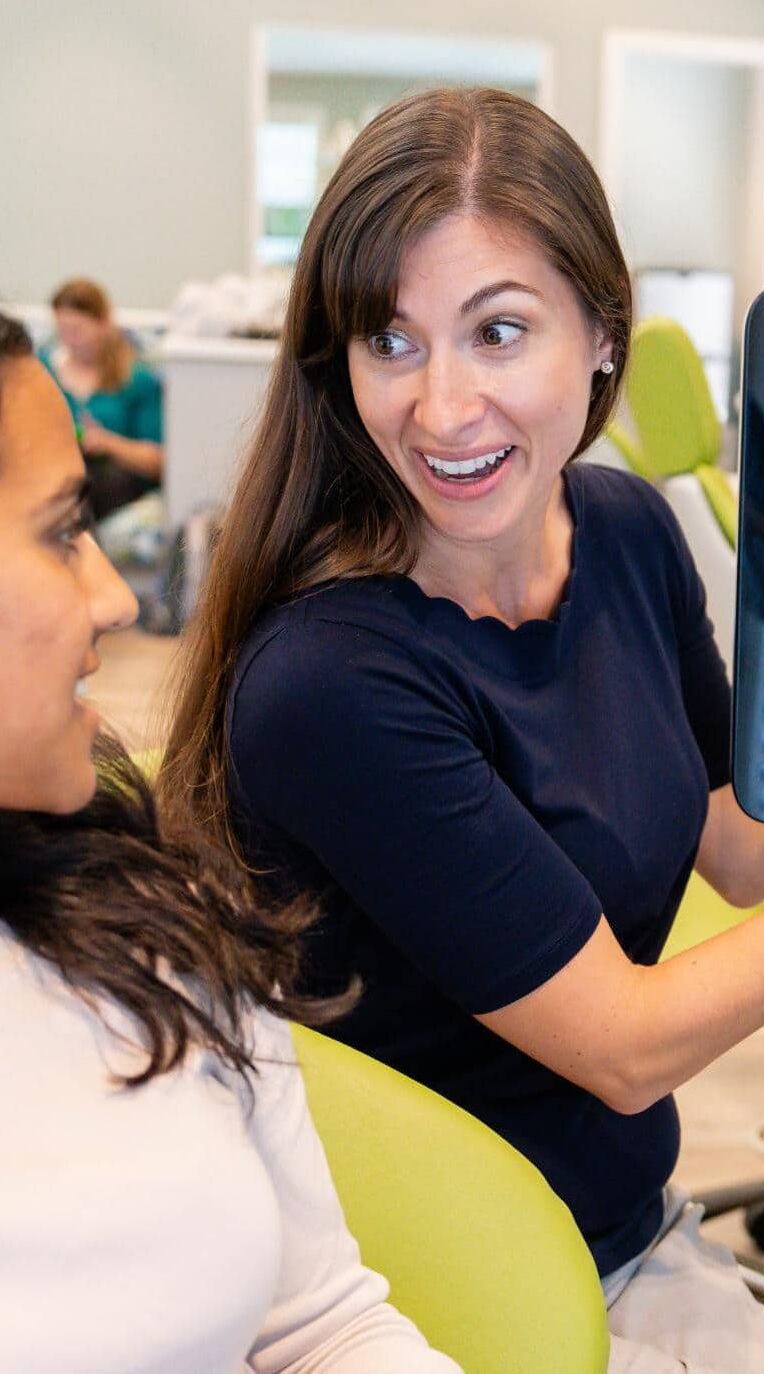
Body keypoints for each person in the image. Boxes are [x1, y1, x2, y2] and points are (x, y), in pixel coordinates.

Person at [158, 87, 764, 1374]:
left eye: (499, 332)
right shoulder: (333, 681)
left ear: (602, 338)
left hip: (618, 1225)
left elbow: (738, 842)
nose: (443, 406)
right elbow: (627, 1048)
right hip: (418, 1280)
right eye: (392, 344)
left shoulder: (624, 530)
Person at [0, 312, 460, 1373]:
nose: (115, 598)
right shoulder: (324, 682)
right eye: (62, 532)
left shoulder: (140, 902)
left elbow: (324, 1323)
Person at [41, 277, 164, 519]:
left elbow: (157, 462)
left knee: (89, 479)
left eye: (76, 331)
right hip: (56, 474)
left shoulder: (137, 379)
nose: (68, 341)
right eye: (62, 331)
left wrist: (107, 443)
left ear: (104, 323)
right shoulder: (45, 370)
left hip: (112, 486)